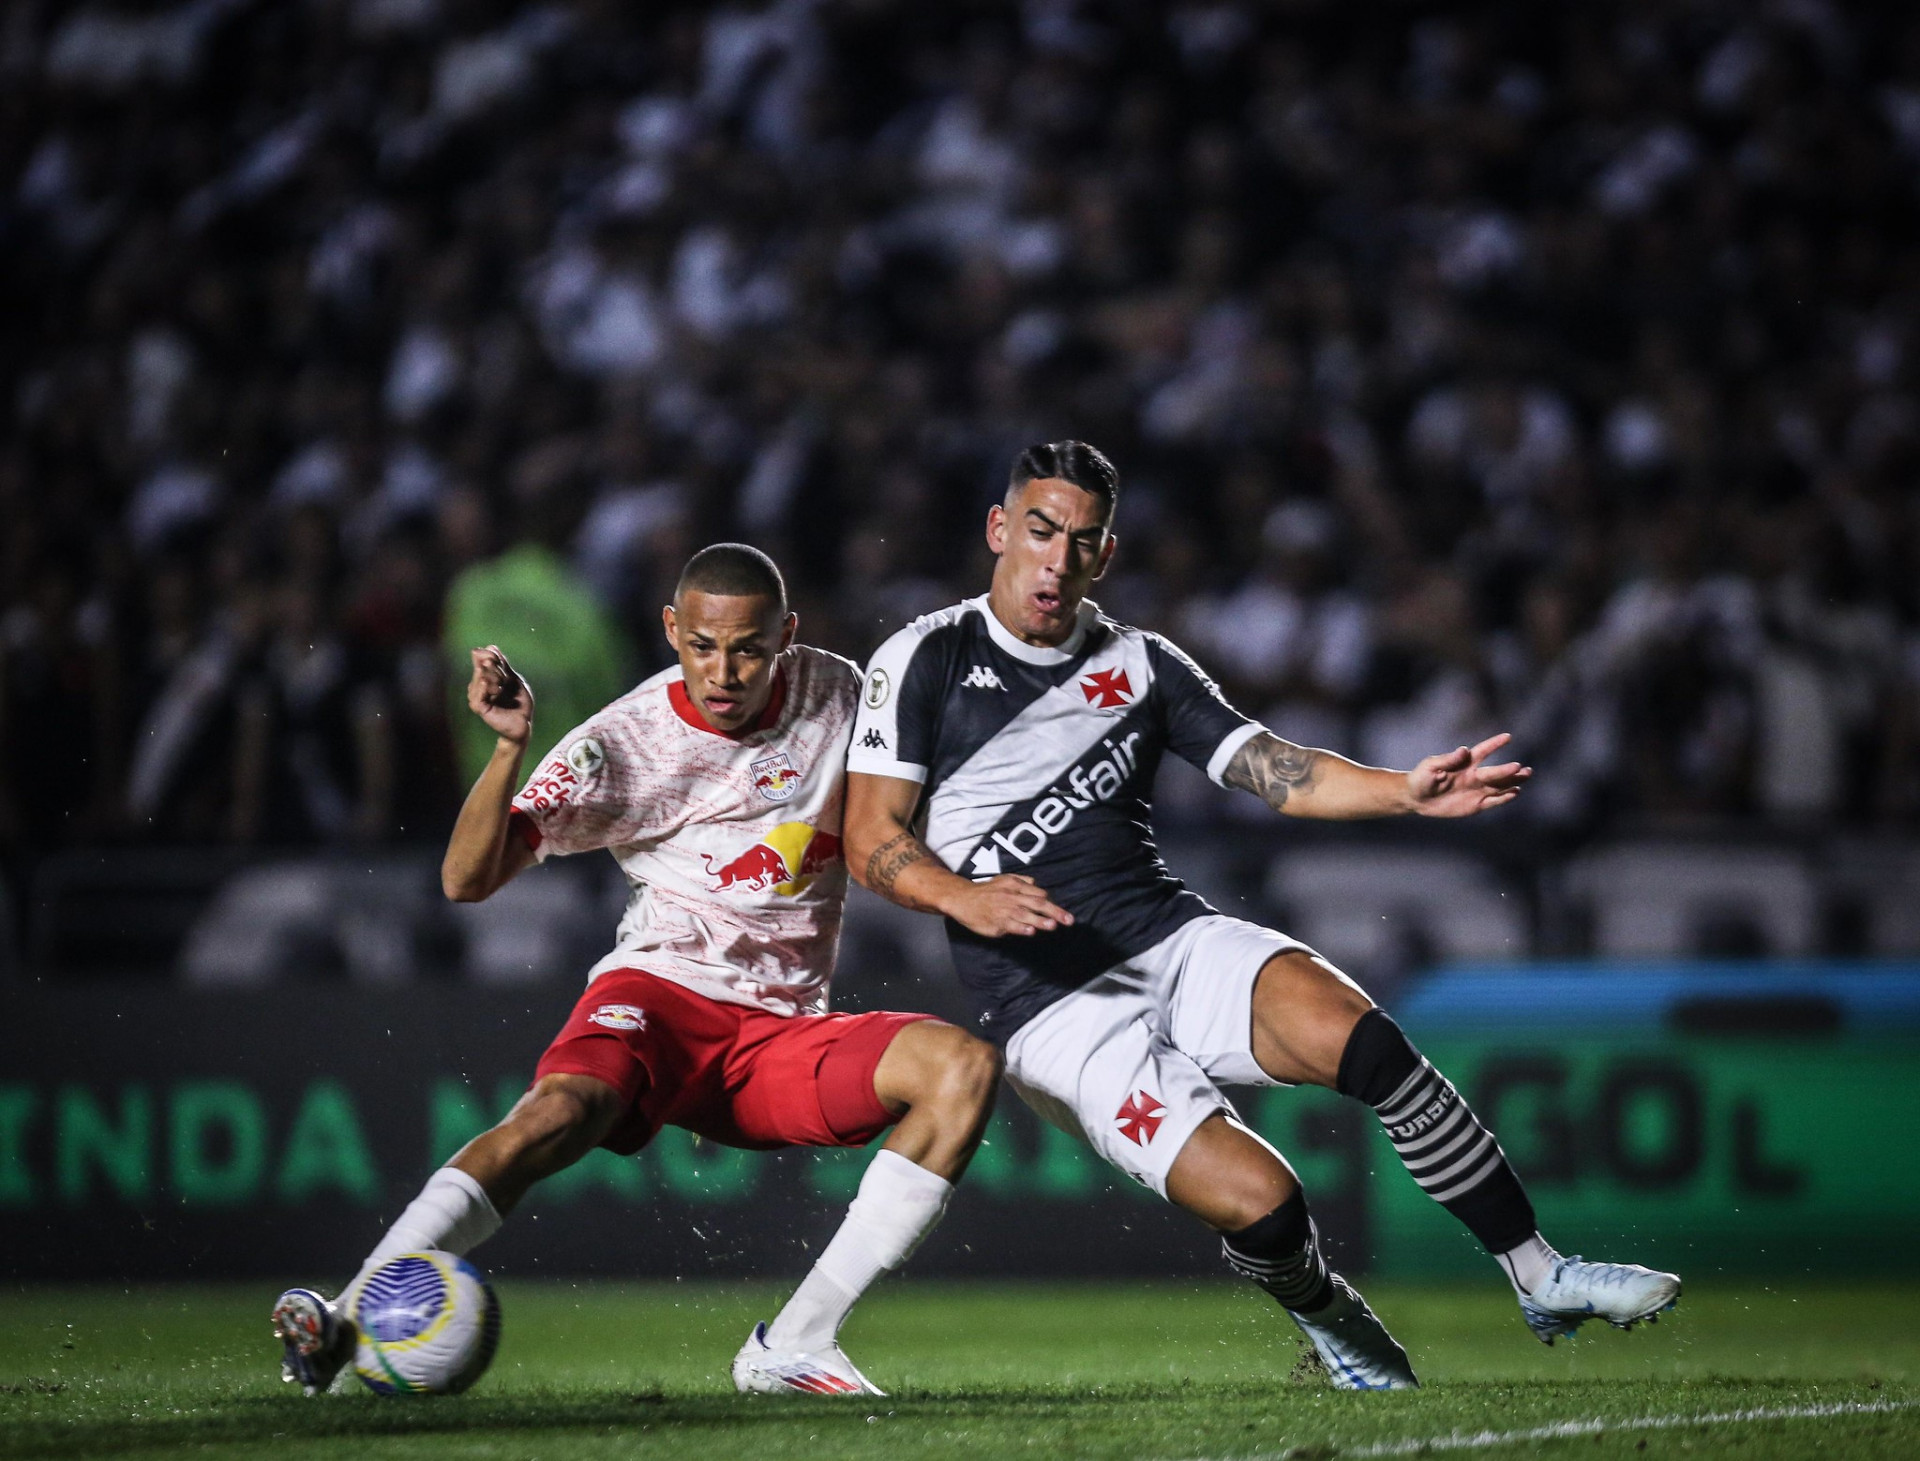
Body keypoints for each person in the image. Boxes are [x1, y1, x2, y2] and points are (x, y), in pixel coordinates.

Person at [840, 441, 1680, 1390]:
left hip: (1168, 937)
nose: (1055, 560)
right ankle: (1331, 1317)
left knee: (1365, 1039)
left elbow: (1274, 768)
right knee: (1268, 1207)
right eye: (1039, 532)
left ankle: (1541, 1273)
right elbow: (870, 836)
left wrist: (1403, 791)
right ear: (1000, 529)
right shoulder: (923, 659)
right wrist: (961, 894)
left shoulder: (1141, 664)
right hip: (1050, 1008)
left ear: (1104, 557)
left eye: (1081, 541)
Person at [273, 543, 1001, 1398]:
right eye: (701, 645)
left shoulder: (840, 694)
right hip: (659, 998)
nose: (723, 671)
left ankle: (795, 1343)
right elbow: (465, 880)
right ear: (671, 630)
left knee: (962, 1069)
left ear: (787, 636)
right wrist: (507, 749)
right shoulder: (626, 741)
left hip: (776, 1036)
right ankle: (348, 1314)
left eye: (748, 648)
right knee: (559, 1111)